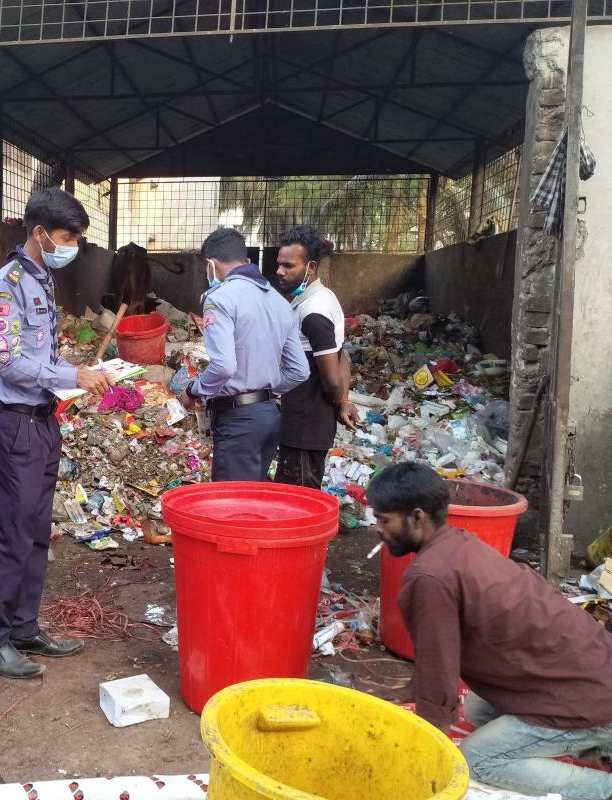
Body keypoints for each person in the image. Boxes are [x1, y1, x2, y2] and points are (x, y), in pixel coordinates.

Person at [368, 462, 612, 800]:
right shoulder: (457, 545)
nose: (376, 528)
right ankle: (598, 742)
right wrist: (416, 688)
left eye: (384, 520)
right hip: (595, 673)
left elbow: (439, 676)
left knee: (474, 761)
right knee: (478, 710)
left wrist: (429, 763)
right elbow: (434, 664)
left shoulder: (430, 576)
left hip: (588, 697)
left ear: (417, 518)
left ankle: (601, 786)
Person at [0, 188, 111, 679]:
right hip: (14, 425)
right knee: (13, 534)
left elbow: (42, 357)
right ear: (39, 233)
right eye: (66, 237)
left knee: (36, 533)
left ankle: (24, 626)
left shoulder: (40, 280)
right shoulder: (6, 284)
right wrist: (70, 375)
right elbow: (8, 362)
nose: (71, 246)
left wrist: (69, 373)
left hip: (42, 420)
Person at [180, 228, 309, 482]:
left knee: (232, 509)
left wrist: (195, 390)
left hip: (238, 421)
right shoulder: (280, 302)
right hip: (269, 415)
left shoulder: (220, 298)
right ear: (247, 261)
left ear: (210, 264)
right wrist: (262, 387)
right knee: (252, 501)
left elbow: (224, 366)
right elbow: (299, 371)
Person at [274, 225, 360, 489]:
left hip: (305, 425)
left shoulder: (313, 312)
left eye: (289, 266)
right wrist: (343, 401)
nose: (279, 271)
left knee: (297, 503)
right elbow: (342, 356)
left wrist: (341, 399)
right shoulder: (324, 298)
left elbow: (332, 377)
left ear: (310, 268)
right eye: (279, 264)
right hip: (307, 425)